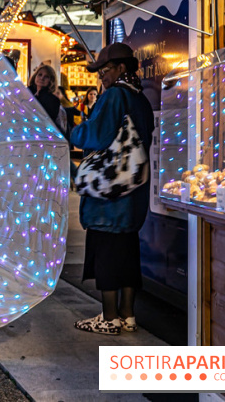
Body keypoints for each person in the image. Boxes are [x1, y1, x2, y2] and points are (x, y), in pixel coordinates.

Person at [70, 43, 154, 335]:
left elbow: (96, 135)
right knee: (128, 255)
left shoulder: (114, 95)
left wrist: (75, 129)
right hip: (134, 192)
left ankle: (109, 317)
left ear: (121, 69)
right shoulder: (140, 99)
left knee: (106, 255)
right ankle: (128, 316)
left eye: (105, 71)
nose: (101, 77)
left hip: (110, 196)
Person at [27, 64, 63, 132]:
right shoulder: (27, 94)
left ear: (51, 80)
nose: (42, 78)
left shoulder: (53, 100)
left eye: (46, 77)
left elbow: (48, 121)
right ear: (35, 76)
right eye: (40, 75)